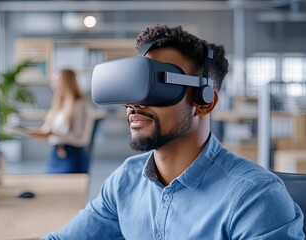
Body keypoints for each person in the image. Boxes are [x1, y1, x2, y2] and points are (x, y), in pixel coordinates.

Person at [41, 24, 304, 239]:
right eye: (133, 86)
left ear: (204, 102)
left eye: (155, 87)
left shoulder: (255, 197)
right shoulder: (126, 181)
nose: (135, 104)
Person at [29, 68, 93, 174]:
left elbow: (80, 137)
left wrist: (54, 134)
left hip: (72, 156)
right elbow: (48, 129)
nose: (54, 85)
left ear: (68, 83)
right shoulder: (58, 105)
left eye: (58, 81)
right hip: (56, 154)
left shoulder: (80, 105)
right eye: (53, 81)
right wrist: (38, 133)